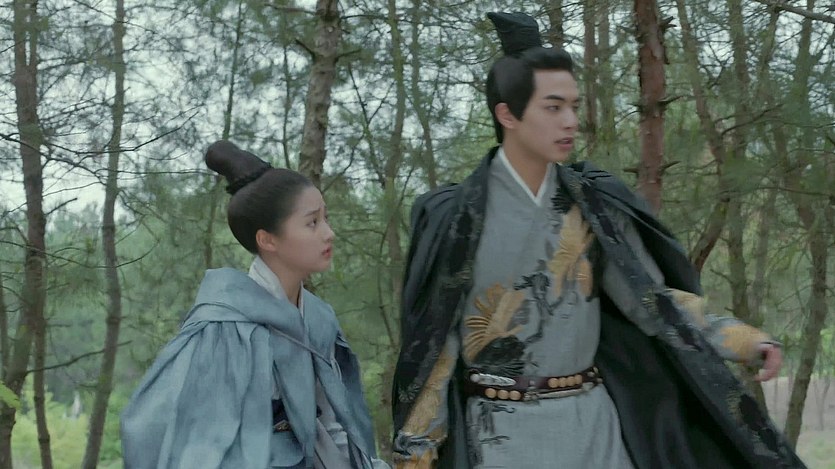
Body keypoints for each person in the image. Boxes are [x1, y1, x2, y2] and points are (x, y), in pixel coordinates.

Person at [390, 11, 804, 469]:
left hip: (594, 429)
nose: (571, 121)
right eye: (553, 108)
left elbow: (651, 304)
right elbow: (435, 347)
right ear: (507, 114)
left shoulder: (593, 205)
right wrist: (418, 448)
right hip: (500, 435)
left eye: (574, 106)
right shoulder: (455, 218)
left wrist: (743, 341)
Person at [121, 141, 388, 468]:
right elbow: (200, 447)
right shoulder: (224, 328)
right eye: (312, 223)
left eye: (326, 219)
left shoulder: (318, 319)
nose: (329, 233)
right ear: (267, 239)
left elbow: (331, 429)